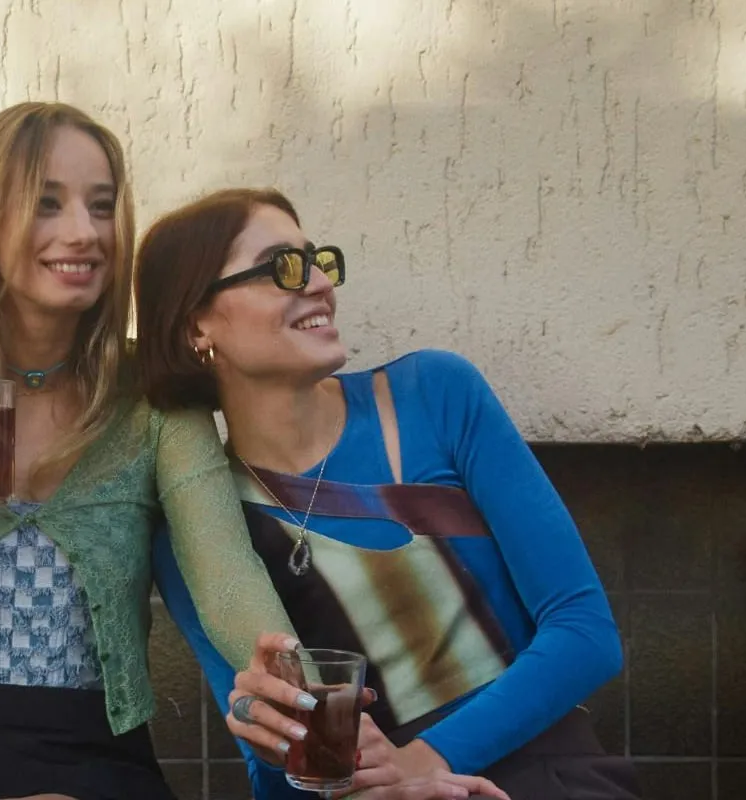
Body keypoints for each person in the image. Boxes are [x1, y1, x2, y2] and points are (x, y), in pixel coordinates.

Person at [0, 102, 295, 800]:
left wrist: (297, 683)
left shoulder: (151, 403)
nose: (84, 232)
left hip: (99, 756)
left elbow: (226, 576)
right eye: (47, 204)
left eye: (101, 207)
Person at [135, 188, 640, 799]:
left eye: (318, 260)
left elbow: (584, 632)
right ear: (197, 322)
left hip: (547, 775)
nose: (320, 283)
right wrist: (270, 735)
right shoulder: (204, 534)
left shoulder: (433, 396)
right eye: (282, 268)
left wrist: (424, 759)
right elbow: (276, 784)